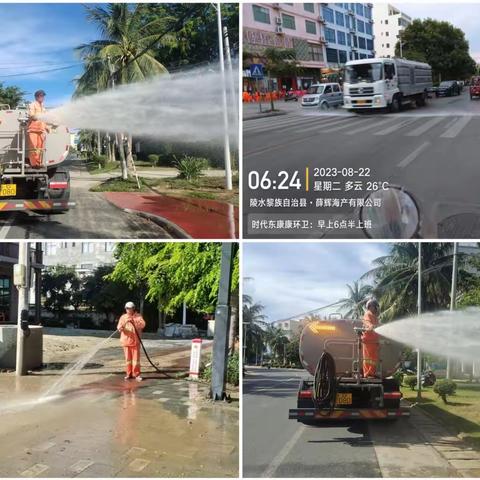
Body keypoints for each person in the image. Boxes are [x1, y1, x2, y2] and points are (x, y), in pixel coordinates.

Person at [117, 301, 146, 381]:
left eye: (129, 308)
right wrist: (120, 328)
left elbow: (143, 324)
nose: (128, 310)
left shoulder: (138, 316)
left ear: (133, 308)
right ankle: (128, 374)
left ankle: (137, 375)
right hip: (126, 342)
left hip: (135, 342)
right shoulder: (123, 317)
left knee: (136, 360)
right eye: (126, 308)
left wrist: (134, 321)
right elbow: (119, 326)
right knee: (128, 360)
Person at [27, 90, 50, 168]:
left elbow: (45, 119)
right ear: (36, 97)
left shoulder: (43, 107)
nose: (42, 97)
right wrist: (37, 116)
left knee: (40, 148)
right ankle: (34, 164)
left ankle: (38, 163)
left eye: (43, 96)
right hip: (33, 129)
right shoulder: (32, 105)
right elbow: (32, 115)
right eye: (40, 96)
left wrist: (47, 127)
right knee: (33, 147)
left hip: (41, 130)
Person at [362, 298, 380, 378]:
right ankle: (367, 373)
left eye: (376, 306)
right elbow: (367, 322)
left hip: (374, 341)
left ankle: (372, 372)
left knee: (373, 359)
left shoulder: (375, 316)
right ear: (370, 306)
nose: (376, 308)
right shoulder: (368, 314)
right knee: (368, 358)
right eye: (374, 306)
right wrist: (370, 326)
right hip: (368, 340)